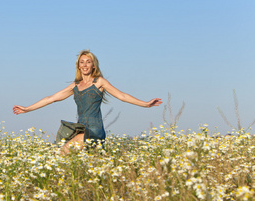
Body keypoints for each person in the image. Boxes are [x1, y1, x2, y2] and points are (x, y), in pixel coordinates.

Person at [13, 50, 162, 154]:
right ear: (78, 66)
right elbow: (51, 98)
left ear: (93, 66)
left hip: (95, 129)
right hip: (81, 128)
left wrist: (146, 104)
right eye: (82, 62)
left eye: (88, 62)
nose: (84, 65)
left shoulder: (99, 82)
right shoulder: (75, 86)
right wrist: (27, 109)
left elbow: (122, 96)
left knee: (61, 153)